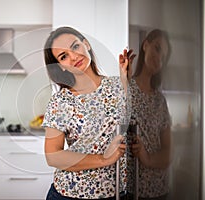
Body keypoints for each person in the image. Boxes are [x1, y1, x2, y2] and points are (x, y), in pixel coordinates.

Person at [41, 26, 135, 199]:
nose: (74, 57)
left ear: (86, 44)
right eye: (63, 56)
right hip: (70, 194)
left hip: (117, 193)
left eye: (75, 46)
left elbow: (133, 126)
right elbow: (53, 156)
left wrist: (126, 82)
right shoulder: (61, 101)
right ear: (60, 66)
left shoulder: (117, 85)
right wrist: (104, 159)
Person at [129, 29, 172, 200]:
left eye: (164, 57)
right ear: (145, 45)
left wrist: (147, 159)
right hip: (131, 190)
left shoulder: (159, 101)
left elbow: (168, 151)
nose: (159, 58)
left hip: (159, 189)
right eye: (157, 48)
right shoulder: (126, 89)